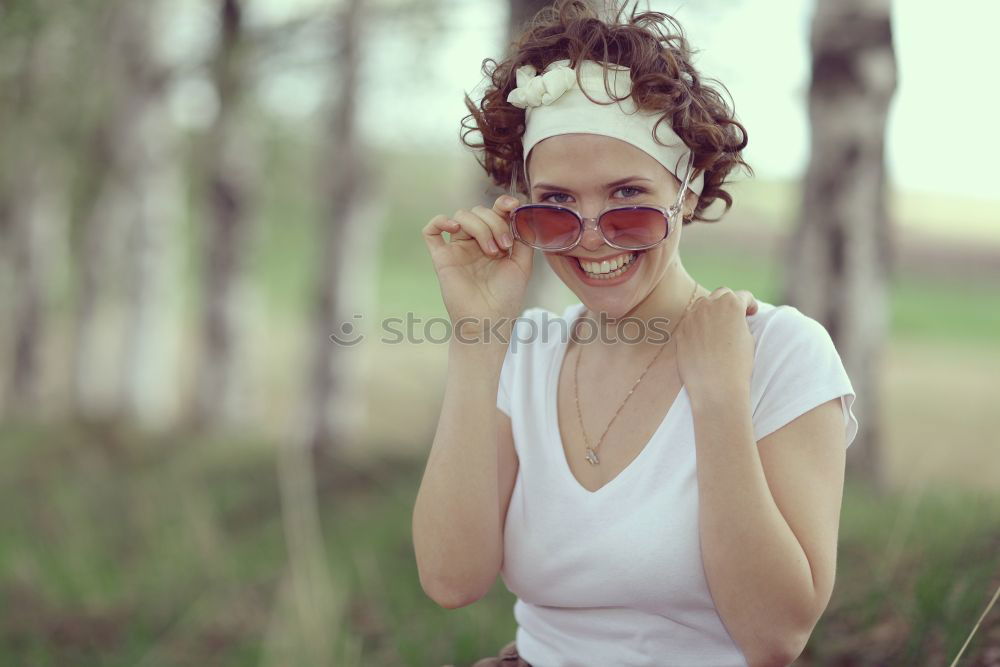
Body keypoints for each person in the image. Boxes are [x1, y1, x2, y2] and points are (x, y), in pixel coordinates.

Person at [412, 2, 859, 665]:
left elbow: (775, 637)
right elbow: (452, 579)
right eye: (557, 204)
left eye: (627, 196)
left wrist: (719, 401)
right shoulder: (526, 353)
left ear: (689, 186)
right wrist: (479, 336)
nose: (591, 235)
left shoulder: (780, 352)